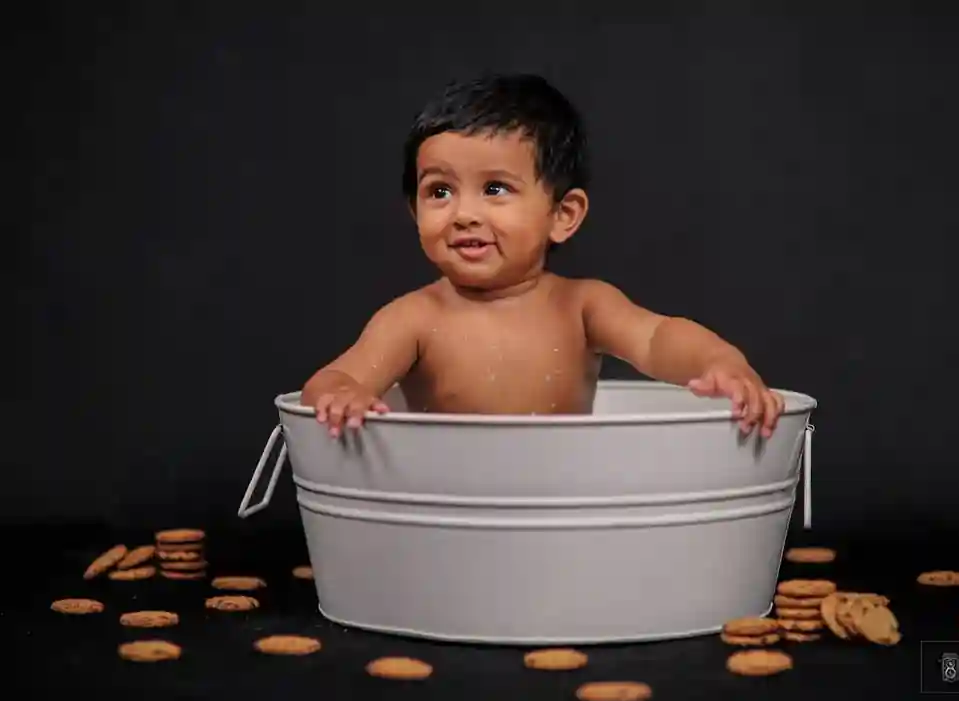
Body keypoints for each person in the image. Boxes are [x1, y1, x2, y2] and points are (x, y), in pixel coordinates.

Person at [300, 73, 785, 438]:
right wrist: (342, 395)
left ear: (563, 214)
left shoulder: (582, 306)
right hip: (447, 504)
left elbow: (658, 338)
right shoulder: (414, 319)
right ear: (415, 209)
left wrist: (720, 361)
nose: (463, 213)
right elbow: (338, 376)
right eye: (440, 191)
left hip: (560, 505)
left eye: (494, 188)